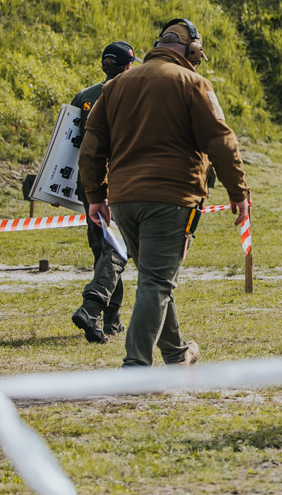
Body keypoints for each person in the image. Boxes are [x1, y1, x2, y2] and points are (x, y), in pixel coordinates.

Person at [78, 19, 249, 368]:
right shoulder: (193, 83)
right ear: (193, 51)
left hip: (124, 200)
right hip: (172, 199)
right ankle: (135, 366)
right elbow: (220, 141)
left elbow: (91, 145)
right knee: (156, 280)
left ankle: (176, 352)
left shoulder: (115, 86)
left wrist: (96, 194)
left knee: (153, 279)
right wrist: (239, 192)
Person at [69, 41, 140, 344]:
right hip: (121, 182)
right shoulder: (133, 94)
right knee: (117, 250)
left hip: (89, 185)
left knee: (103, 251)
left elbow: (68, 141)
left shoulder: (85, 96)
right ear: (128, 66)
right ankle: (92, 308)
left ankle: (110, 320)